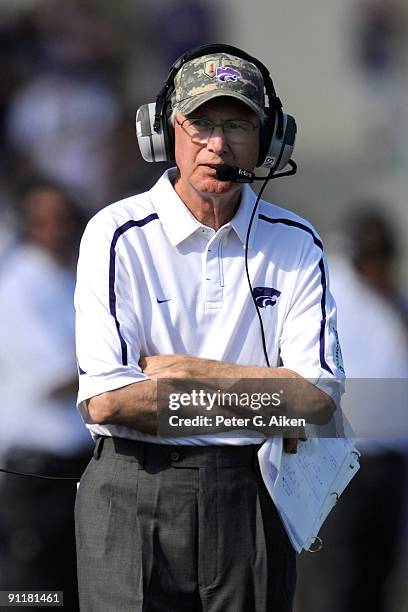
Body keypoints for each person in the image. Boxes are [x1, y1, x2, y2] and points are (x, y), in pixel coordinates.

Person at [74, 44, 345, 611]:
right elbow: (106, 402)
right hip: (132, 489)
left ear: (269, 138)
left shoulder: (296, 241)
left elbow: (317, 399)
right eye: (200, 122)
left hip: (249, 493)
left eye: (236, 123)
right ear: (165, 130)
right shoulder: (115, 233)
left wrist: (183, 371)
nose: (217, 144)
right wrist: (269, 390)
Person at [0, 179, 93, 610]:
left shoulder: (72, 276)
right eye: (44, 221)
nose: (56, 229)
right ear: (27, 224)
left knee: (74, 589)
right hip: (33, 470)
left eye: (65, 219)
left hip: (78, 464)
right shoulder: (18, 284)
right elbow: (54, 380)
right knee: (32, 593)